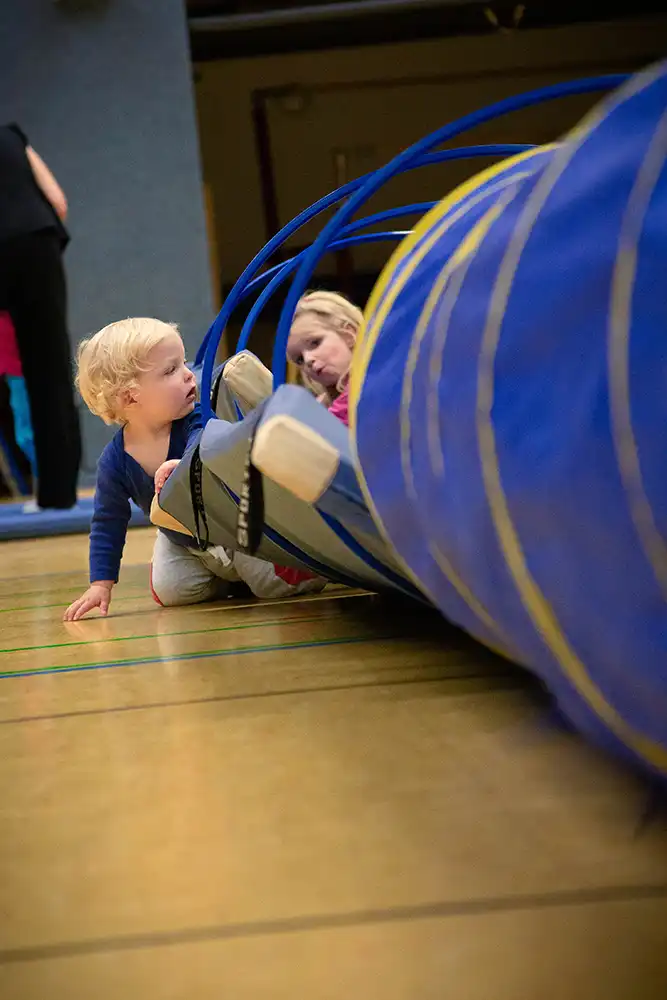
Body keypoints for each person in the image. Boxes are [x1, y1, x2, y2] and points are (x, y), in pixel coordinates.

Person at [64, 317, 324, 621]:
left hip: (232, 530)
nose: (189, 375)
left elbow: (203, 438)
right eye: (171, 370)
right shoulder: (114, 461)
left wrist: (186, 463)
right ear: (130, 397)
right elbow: (107, 522)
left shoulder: (196, 415)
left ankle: (310, 568)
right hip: (184, 540)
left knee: (271, 586)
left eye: (183, 363)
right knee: (171, 592)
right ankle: (225, 575)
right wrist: (100, 584)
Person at [0, 122, 81, 509]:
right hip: (35, 242)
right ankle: (57, 492)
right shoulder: (12, 134)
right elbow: (58, 201)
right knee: (49, 369)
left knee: (13, 372)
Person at [286, 290, 363, 427]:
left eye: (315, 343)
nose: (308, 360)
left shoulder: (368, 383)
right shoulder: (326, 404)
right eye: (299, 360)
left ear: (349, 334)